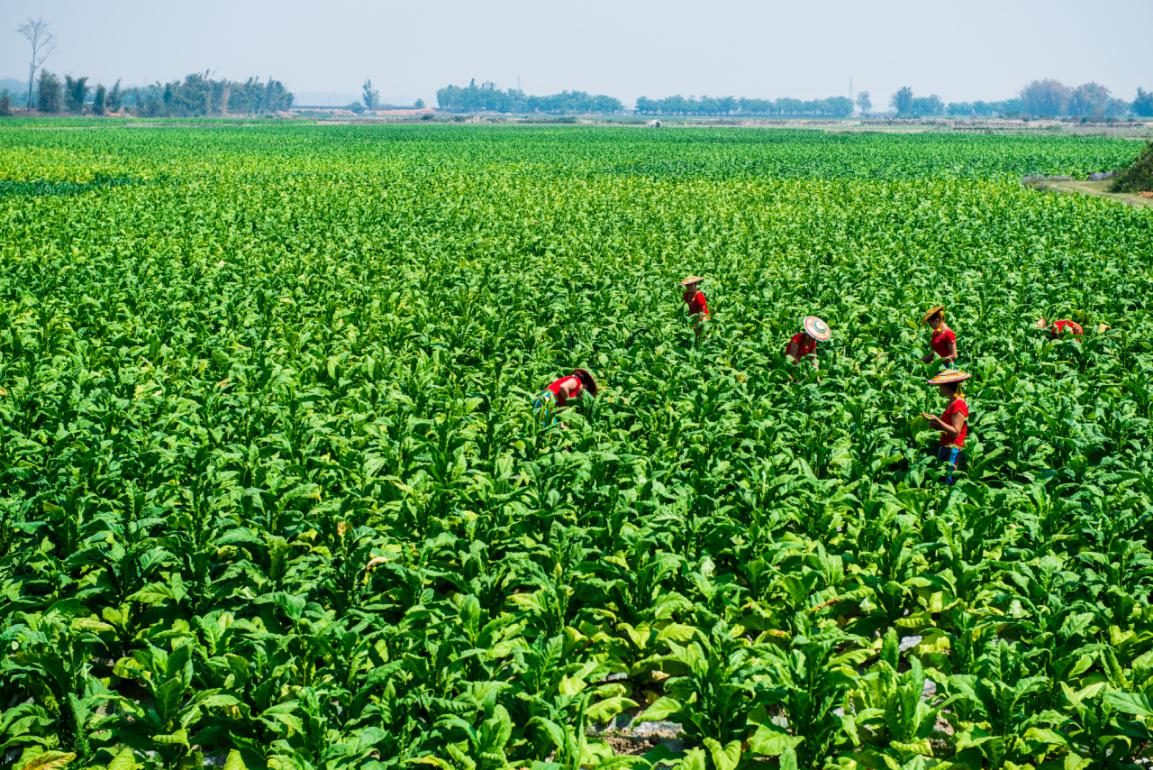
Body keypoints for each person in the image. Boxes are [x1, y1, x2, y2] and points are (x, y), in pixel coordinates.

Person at [920, 369, 970, 485]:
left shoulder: (959, 404)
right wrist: (935, 425)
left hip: (953, 449)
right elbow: (948, 427)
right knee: (941, 480)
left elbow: (956, 431)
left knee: (948, 482)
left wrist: (937, 420)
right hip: (945, 446)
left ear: (947, 386)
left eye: (941, 385)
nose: (939, 388)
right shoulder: (951, 402)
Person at [534, 368, 598, 428]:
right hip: (547, 400)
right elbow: (563, 387)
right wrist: (568, 402)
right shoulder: (577, 381)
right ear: (585, 385)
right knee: (548, 427)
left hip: (544, 400)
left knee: (543, 426)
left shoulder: (569, 383)